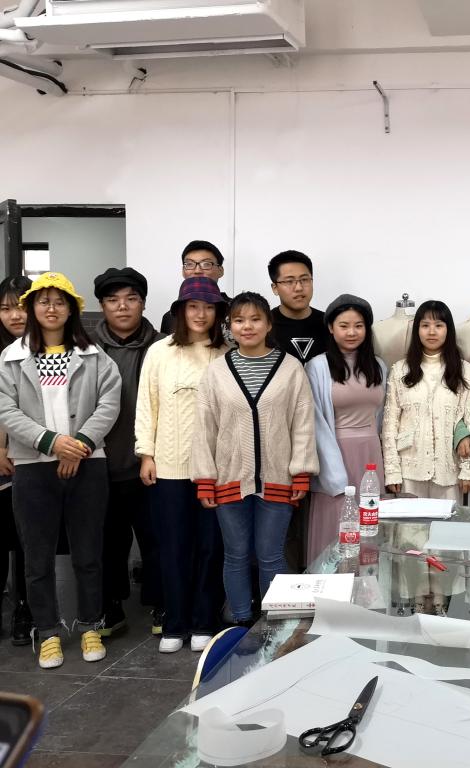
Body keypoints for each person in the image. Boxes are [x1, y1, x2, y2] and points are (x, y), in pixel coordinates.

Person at [0, 272, 121, 669]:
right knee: (36, 558)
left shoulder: (95, 355)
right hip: (33, 467)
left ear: (71, 309)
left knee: (88, 553)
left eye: (59, 301)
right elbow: (5, 409)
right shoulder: (12, 357)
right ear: (32, 308)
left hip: (88, 464)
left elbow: (109, 403)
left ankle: (90, 625)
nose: (51, 308)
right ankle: (48, 631)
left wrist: (80, 444)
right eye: (43, 301)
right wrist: (51, 442)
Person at [193, 292, 319, 626]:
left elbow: (303, 424)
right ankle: (240, 622)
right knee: (235, 555)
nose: (247, 326)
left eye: (255, 319)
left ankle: (273, 624)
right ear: (230, 326)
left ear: (268, 324)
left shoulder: (291, 368)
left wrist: (301, 472)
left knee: (271, 554)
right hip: (229, 478)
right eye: (239, 320)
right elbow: (204, 428)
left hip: (278, 478)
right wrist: (205, 478)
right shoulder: (216, 372)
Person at [136, 277, 229, 653]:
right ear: (180, 311)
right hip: (169, 466)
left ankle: (204, 620)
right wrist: (146, 453)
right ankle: (175, 624)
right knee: (172, 546)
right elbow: (147, 403)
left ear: (218, 312)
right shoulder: (160, 351)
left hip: (215, 468)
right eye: (193, 306)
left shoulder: (226, 353)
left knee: (210, 546)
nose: (200, 314)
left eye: (208, 307)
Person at [92, 267, 165, 638]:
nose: (122, 307)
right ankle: (111, 606)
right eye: (113, 300)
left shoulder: (164, 346)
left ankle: (160, 602)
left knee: (157, 536)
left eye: (131, 299)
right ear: (102, 305)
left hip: (153, 461)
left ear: (143, 303)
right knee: (108, 540)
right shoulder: (86, 349)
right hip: (101, 460)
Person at [306, 294, 386, 562]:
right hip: (335, 456)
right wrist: (333, 473)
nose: (352, 332)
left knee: (370, 525)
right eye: (344, 325)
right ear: (331, 327)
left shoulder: (379, 366)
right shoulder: (317, 366)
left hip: (371, 457)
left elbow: (381, 417)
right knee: (337, 527)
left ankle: (368, 583)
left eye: (358, 326)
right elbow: (316, 421)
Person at [382, 300, 470, 501]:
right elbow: (390, 424)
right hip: (408, 471)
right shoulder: (400, 370)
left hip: (449, 472)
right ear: (417, 330)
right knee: (409, 522)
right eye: (425, 325)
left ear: (448, 330)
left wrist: (469, 469)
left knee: (447, 522)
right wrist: (392, 470)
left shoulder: (465, 371)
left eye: (439, 325)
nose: (432, 332)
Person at [0, 275, 33, 645]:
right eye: (6, 308)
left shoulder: (47, 349)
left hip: (30, 458)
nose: (15, 315)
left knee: (28, 540)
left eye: (22, 306)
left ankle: (26, 607)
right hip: (3, 459)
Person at [268, 250, 330, 364]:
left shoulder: (330, 323)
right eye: (289, 281)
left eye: (304, 280)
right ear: (275, 288)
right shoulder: (265, 326)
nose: (299, 288)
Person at [159, 240, 231, 334]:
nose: (197, 271)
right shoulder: (171, 316)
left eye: (206, 264)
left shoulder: (236, 310)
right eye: (190, 264)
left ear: (221, 271)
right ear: (183, 271)